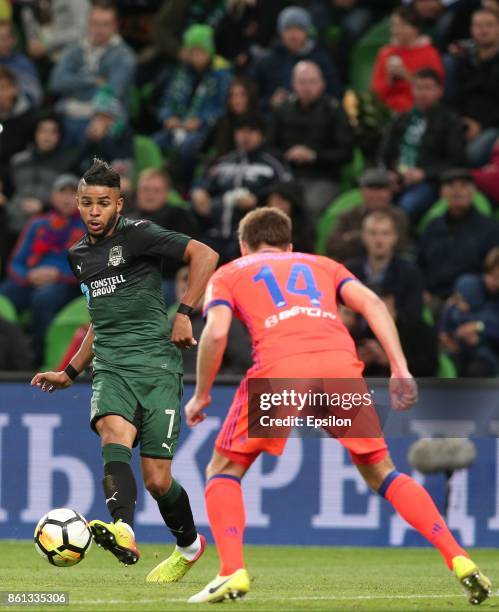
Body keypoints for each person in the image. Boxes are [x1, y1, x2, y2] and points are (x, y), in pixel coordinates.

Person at [183, 207, 490, 605]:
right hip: (340, 368)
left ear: (244, 246)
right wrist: (399, 367)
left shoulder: (230, 272)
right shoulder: (322, 264)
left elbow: (217, 331)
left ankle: (230, 572)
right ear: (290, 245)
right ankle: (461, 559)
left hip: (282, 371)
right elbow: (374, 304)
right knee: (383, 471)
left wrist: (203, 392)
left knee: (224, 469)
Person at [31, 159, 219, 582]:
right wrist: (71, 372)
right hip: (112, 366)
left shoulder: (139, 235)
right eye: (86, 203)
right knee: (113, 433)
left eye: (102, 203)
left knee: (157, 480)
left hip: (157, 365)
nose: (94, 211)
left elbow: (205, 254)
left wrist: (185, 312)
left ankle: (189, 547)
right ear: (76, 205)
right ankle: (123, 529)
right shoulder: (78, 254)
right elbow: (102, 319)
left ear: (119, 203)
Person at [0, 174, 85, 366]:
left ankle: (39, 358)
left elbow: (90, 266)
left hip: (67, 282)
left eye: (72, 193)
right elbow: (15, 263)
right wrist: (29, 276)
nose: (66, 198)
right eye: (62, 192)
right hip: (31, 279)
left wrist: (58, 275)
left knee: (44, 298)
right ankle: (9, 355)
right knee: (4, 295)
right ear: (53, 197)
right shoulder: (37, 224)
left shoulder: (89, 226)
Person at [191, 113, 291, 262]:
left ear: (261, 135)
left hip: (252, 238)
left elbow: (287, 189)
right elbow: (204, 182)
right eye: (241, 131)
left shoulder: (273, 163)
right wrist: (198, 190)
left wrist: (258, 200)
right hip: (215, 233)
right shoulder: (224, 162)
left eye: (251, 131)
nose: (245, 136)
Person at [379, 68, 467, 221]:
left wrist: (425, 173)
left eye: (428, 88)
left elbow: (457, 160)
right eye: (419, 88)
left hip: (429, 183)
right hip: (397, 180)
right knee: (374, 202)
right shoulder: (401, 119)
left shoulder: (450, 121)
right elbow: (384, 153)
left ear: (439, 91)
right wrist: (389, 173)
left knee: (407, 206)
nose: (423, 93)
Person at [267, 60, 353, 215]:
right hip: (286, 176)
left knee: (307, 207)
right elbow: (269, 147)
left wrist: (313, 155)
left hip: (323, 177)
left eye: (313, 82)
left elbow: (346, 153)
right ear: (293, 84)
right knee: (267, 204)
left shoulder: (334, 111)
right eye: (302, 82)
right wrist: (287, 154)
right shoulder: (282, 110)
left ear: (322, 84)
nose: (307, 87)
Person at [48, 0, 136, 148]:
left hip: (103, 115)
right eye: (95, 23)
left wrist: (76, 87)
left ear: (115, 25)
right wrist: (93, 82)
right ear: (88, 23)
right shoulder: (75, 49)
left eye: (106, 24)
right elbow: (56, 82)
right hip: (68, 112)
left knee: (95, 134)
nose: (99, 29)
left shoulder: (124, 56)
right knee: (44, 129)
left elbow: (113, 92)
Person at [153, 24, 231, 182]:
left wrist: (200, 120)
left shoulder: (221, 76)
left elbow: (221, 108)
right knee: (154, 144)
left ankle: (182, 184)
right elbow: (167, 101)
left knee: (187, 148)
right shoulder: (181, 73)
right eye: (192, 52)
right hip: (176, 127)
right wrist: (168, 117)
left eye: (200, 51)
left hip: (203, 130)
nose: (196, 57)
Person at [418, 168, 499, 300]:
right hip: (433, 297)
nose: (457, 191)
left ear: (473, 191)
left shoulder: (491, 228)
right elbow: (420, 263)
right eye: (450, 185)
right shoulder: (432, 226)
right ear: (442, 193)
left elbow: (493, 272)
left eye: (463, 185)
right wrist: (422, 290)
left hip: (472, 300)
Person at [129, 168, 200, 306]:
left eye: (156, 190)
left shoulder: (178, 216)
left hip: (165, 279)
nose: (150, 195)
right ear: (137, 192)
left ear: (166, 193)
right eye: (145, 189)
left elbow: (185, 254)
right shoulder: (127, 218)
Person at [250, 6, 343, 110]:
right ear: (280, 32)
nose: (293, 35)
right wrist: (270, 102)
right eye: (288, 29)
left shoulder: (322, 61)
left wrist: (313, 99)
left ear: (307, 32)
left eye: (299, 28)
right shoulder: (267, 63)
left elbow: (335, 97)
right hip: (275, 120)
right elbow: (250, 99)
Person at [7, 112, 76, 234]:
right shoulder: (18, 161)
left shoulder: (67, 165)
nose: (47, 136)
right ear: (34, 133)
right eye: (42, 131)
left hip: (48, 230)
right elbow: (8, 192)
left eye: (53, 132)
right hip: (12, 223)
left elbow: (70, 200)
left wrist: (43, 207)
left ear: (60, 136)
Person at [347, 210, 424, 317]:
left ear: (395, 237)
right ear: (363, 237)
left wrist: (395, 316)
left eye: (385, 233)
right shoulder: (349, 271)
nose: (379, 240)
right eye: (373, 233)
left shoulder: (410, 273)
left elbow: (415, 315)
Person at [325, 167, 408, 262]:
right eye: (370, 189)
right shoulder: (350, 214)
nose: (376, 194)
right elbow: (331, 246)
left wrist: (352, 237)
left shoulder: (398, 216)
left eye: (381, 189)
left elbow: (399, 246)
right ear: (362, 191)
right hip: (351, 269)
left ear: (390, 192)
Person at [371, 5, 444, 113]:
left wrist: (406, 75)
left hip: (416, 113)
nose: (396, 31)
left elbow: (435, 93)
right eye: (394, 25)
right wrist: (389, 81)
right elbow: (375, 92)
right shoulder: (385, 53)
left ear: (415, 28)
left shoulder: (429, 54)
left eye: (402, 25)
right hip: (386, 112)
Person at [439, 247, 499, 376]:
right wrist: (444, 333)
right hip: (457, 350)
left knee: (477, 369)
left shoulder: (488, 310)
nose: (495, 282)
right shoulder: (469, 286)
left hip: (487, 354)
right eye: (492, 276)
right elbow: (450, 311)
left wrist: (479, 328)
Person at [452, 8, 499, 166]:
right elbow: (455, 96)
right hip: (464, 122)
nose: (483, 30)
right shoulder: (464, 61)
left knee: (470, 156)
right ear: (471, 29)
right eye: (478, 25)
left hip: (493, 126)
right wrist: (462, 120)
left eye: (489, 25)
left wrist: (480, 125)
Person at [0, 19, 41, 106]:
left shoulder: (23, 63)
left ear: (13, 40)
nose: (1, 43)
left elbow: (35, 95)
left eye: (5, 38)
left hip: (19, 111)